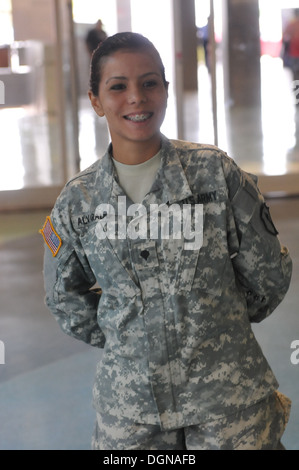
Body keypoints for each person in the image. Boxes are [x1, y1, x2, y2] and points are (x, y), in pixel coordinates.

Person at [40, 32, 292, 450]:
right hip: (132, 415)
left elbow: (269, 274)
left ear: (166, 91)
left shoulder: (215, 174)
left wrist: (217, 323)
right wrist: (129, 338)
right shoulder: (78, 203)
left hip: (228, 406)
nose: (136, 97)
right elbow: (64, 299)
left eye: (150, 82)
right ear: (96, 100)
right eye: (118, 86)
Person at [283, 9, 299, 81]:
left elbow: (285, 35)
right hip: (294, 52)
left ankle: (296, 89)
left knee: (295, 73)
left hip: (294, 52)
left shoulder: (292, 24)